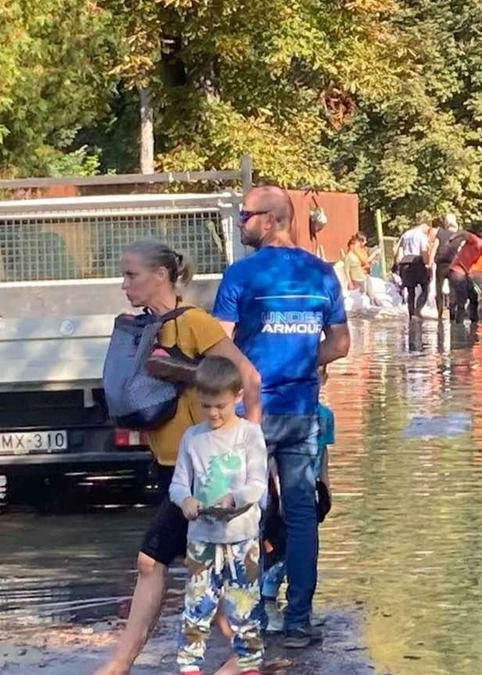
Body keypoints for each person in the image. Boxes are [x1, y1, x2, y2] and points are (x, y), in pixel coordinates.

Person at [96, 241, 261, 675]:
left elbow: (248, 375)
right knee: (206, 563)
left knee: (151, 561)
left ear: (161, 277)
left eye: (132, 275)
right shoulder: (149, 328)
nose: (124, 284)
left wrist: (251, 438)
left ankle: (120, 663)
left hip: (202, 471)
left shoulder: (194, 323)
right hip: (168, 465)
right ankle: (246, 658)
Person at [213, 185, 351, 648]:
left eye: (246, 215)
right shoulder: (322, 275)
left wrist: (253, 371)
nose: (239, 222)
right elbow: (341, 344)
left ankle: (247, 620)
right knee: (301, 515)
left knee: (246, 514)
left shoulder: (241, 275)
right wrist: (300, 360)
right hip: (301, 411)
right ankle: (298, 622)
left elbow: (220, 347)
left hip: (251, 414)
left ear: (272, 219)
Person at [169, 356, 268, 675]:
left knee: (245, 607)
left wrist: (235, 498)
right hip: (201, 539)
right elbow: (178, 483)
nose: (213, 413)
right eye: (206, 406)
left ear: (238, 397)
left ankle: (249, 665)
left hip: (242, 539)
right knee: (197, 607)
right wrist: (185, 500)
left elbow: (257, 483)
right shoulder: (192, 439)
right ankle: (189, 665)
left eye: (220, 406)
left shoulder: (249, 435)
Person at [260, 368, 334, 634]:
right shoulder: (288, 412)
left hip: (308, 486)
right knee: (276, 545)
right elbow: (272, 460)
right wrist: (278, 492)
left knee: (298, 542)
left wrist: (326, 485)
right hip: (282, 487)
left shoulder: (325, 416)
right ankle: (269, 601)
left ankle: (299, 608)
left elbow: (323, 452)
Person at [447, 228, 482, 324]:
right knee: (461, 299)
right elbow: (463, 232)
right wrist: (452, 238)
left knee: (473, 296)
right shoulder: (476, 241)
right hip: (457, 271)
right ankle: (459, 323)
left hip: (465, 273)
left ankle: (474, 321)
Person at [396, 219, 431, 319]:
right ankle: (418, 309)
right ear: (424, 225)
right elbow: (424, 251)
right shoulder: (421, 236)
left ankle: (411, 312)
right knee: (425, 287)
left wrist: (398, 263)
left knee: (410, 290)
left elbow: (398, 249)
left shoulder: (406, 234)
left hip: (405, 261)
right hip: (417, 262)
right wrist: (427, 265)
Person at [432, 214, 462, 318]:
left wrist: (430, 262)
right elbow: (460, 251)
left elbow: (434, 247)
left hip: (441, 264)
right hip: (453, 264)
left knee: (439, 289)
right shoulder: (459, 235)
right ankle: (452, 313)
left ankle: (439, 312)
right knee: (453, 289)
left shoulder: (440, 232)